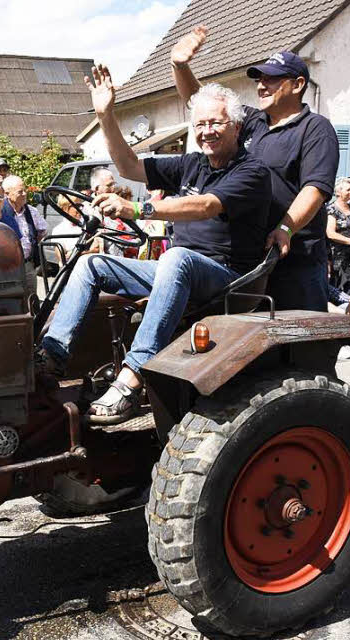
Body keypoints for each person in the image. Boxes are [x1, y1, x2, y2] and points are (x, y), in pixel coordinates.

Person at [38, 68, 271, 426]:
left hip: (227, 277)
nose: (206, 131)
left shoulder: (252, 172)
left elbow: (206, 205)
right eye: (200, 124)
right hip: (176, 272)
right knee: (92, 264)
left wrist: (138, 208)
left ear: (236, 127)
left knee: (176, 257)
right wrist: (105, 116)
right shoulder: (192, 163)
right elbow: (128, 166)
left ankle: (132, 376)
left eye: (215, 123)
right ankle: (52, 355)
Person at [172, 32, 339, 311]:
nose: (261, 86)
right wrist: (180, 66)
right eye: (260, 79)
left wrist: (286, 227)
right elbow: (204, 103)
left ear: (297, 84)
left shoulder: (315, 129)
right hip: (250, 261)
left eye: (271, 79)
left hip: (295, 259)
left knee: (299, 342)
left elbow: (315, 189)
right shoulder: (253, 122)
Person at [2, 175, 47, 263]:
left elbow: (43, 231)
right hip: (8, 266)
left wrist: (33, 244)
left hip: (28, 263)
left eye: (24, 190)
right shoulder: (1, 213)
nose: (24, 194)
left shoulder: (32, 211)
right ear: (7, 194)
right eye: (20, 192)